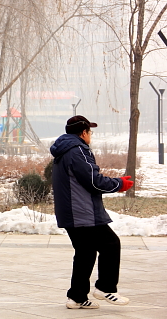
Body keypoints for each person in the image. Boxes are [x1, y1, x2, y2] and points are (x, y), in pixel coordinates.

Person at [50, 115, 134, 310]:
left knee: (85, 253)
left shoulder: (63, 151)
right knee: (111, 244)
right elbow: (94, 181)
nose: (91, 136)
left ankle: (77, 297)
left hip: (70, 212)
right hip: (82, 212)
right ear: (83, 133)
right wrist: (119, 184)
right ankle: (106, 288)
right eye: (90, 132)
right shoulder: (78, 150)